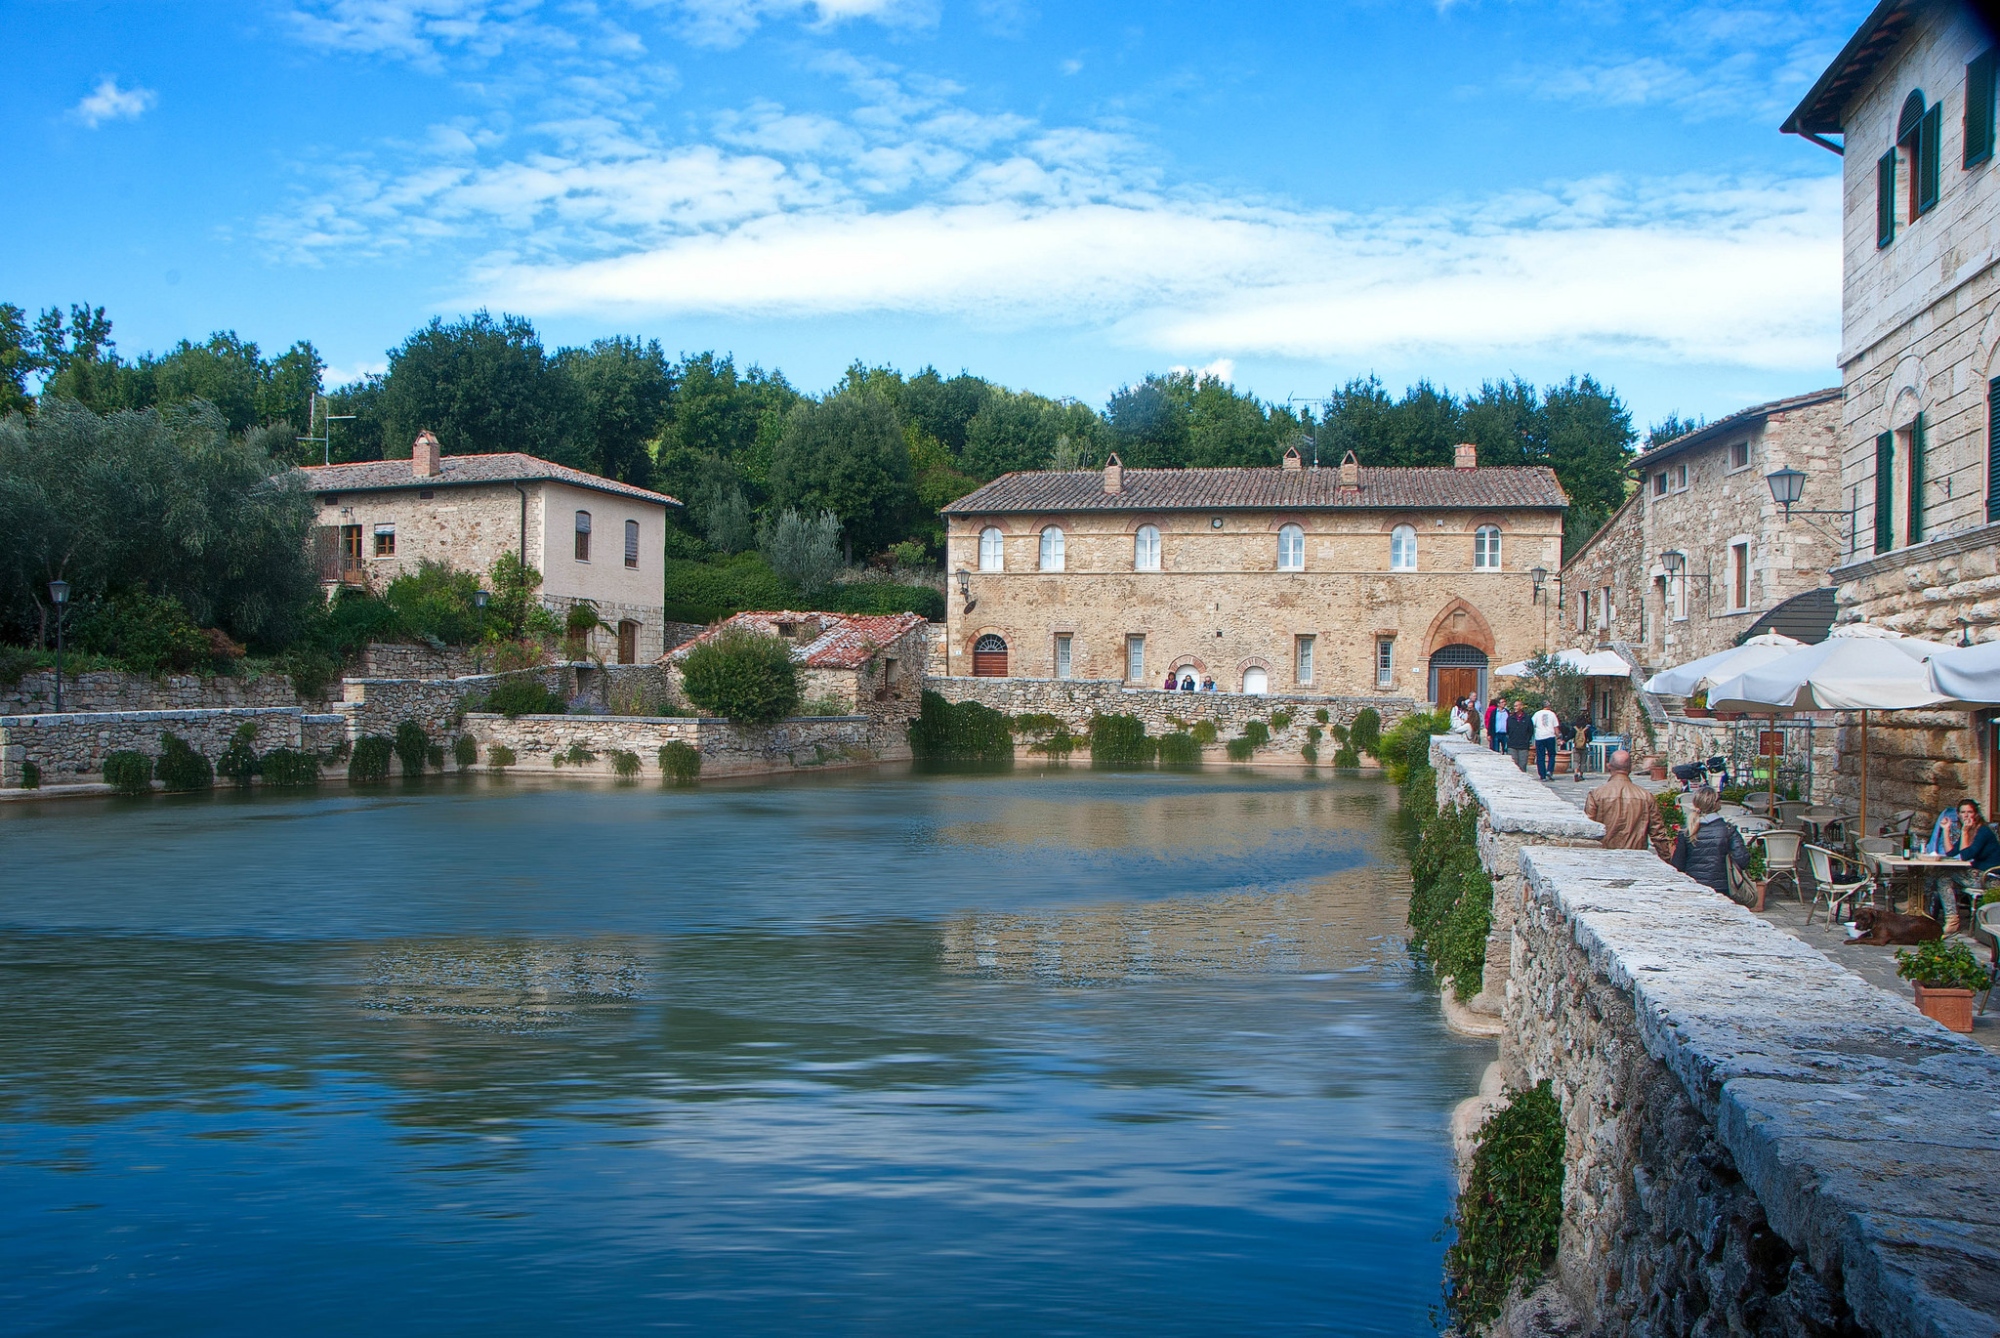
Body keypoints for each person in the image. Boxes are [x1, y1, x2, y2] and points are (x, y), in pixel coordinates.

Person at [1584, 750, 1673, 857]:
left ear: (1609, 766)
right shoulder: (1645, 796)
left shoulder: (1597, 795)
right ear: (1630, 768)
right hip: (1636, 856)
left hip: (1604, 856)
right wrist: (1666, 859)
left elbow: (1588, 830)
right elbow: (1658, 834)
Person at [1937, 798, 2000, 934]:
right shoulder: (1970, 830)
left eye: (1969, 812)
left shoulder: (1982, 831)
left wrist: (1964, 832)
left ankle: (1951, 920)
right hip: (1978, 874)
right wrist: (1946, 830)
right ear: (1958, 815)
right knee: (1941, 876)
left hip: (1990, 878)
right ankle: (1948, 918)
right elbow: (1951, 852)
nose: (1966, 815)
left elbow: (1966, 855)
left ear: (1976, 814)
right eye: (1963, 812)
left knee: (1943, 876)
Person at [1679, 786, 1749, 900]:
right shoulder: (1727, 829)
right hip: (1721, 886)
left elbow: (1678, 863)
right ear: (1716, 804)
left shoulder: (1687, 831)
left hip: (1694, 885)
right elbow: (1742, 859)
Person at [1531, 702, 1561, 781]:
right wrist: (1558, 737)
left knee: (1540, 756)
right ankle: (1549, 770)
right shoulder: (1552, 714)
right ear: (1549, 706)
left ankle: (1542, 775)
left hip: (1540, 737)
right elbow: (1556, 728)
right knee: (1552, 755)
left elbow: (1532, 725)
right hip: (1550, 736)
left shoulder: (1537, 714)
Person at [1505, 700, 1533, 771]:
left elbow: (1530, 731)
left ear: (1521, 706)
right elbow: (1508, 730)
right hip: (1512, 745)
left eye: (1517, 706)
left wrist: (1527, 740)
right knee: (1513, 765)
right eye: (1514, 706)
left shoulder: (1527, 718)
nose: (1515, 707)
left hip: (1523, 745)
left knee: (1522, 765)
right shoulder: (1510, 719)